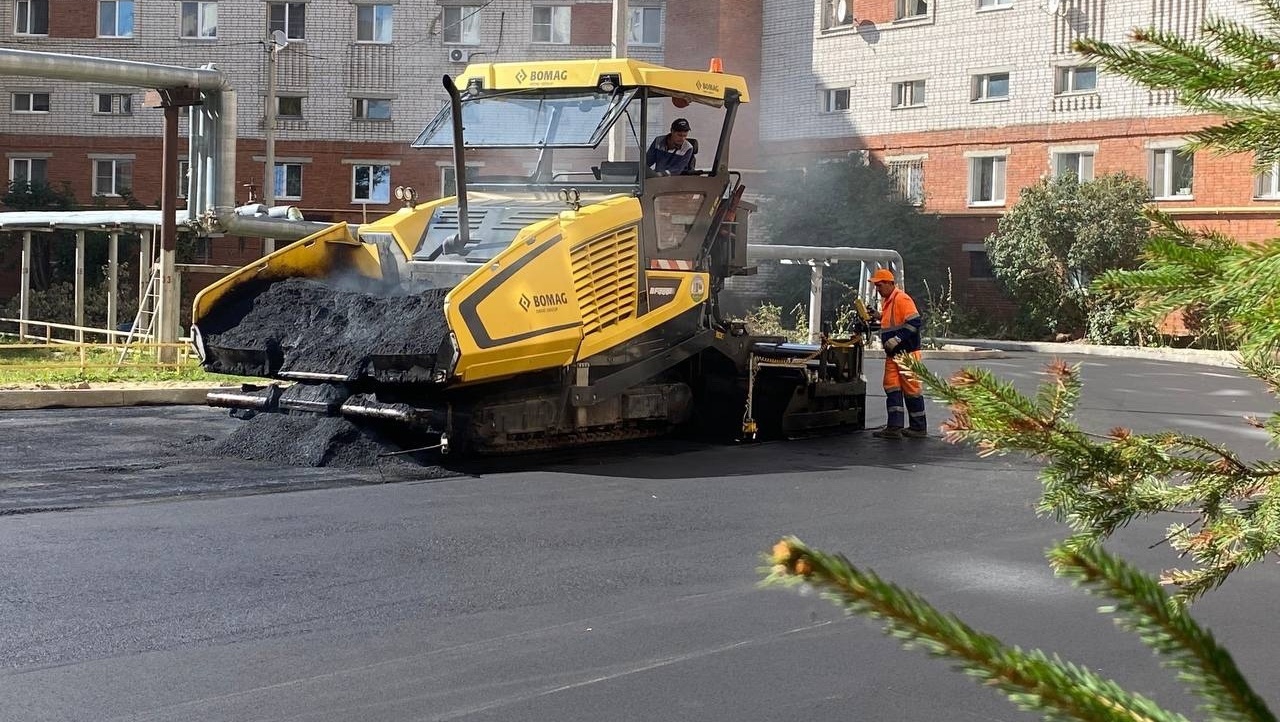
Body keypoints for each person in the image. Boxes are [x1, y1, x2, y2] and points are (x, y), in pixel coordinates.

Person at [868, 268, 927, 439]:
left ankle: (918, 428)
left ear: (889, 283)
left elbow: (914, 322)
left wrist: (896, 339)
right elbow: (893, 321)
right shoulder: (888, 301)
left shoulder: (902, 298)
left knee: (912, 389)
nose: (877, 289)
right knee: (891, 387)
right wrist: (878, 316)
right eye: (876, 286)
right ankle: (894, 427)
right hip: (893, 355)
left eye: (879, 285)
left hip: (907, 354)